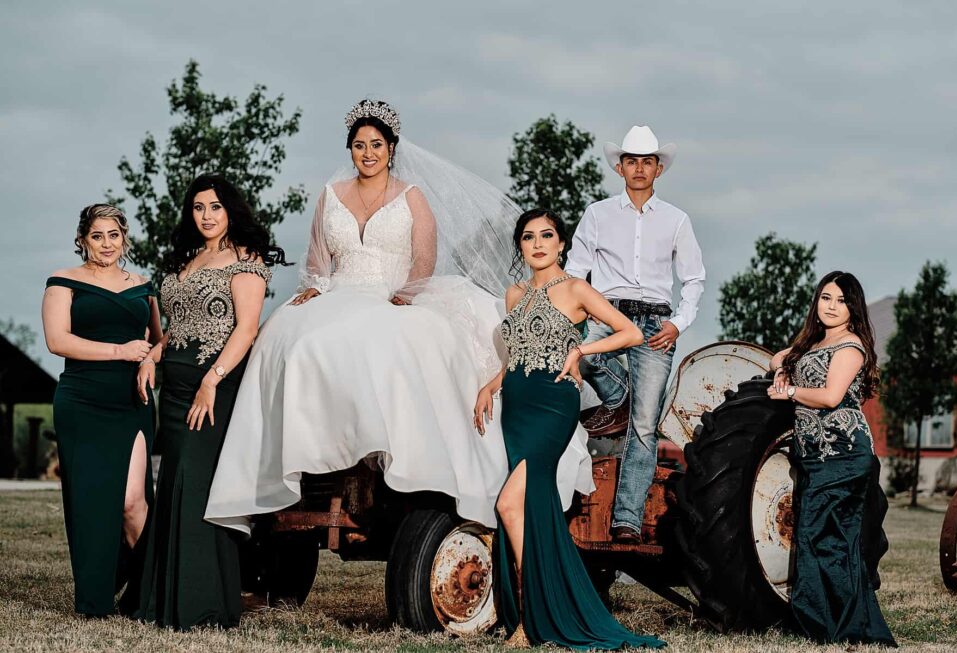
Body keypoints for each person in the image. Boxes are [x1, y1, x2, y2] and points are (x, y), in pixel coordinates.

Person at [204, 100, 593, 534]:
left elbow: (424, 256)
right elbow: (318, 256)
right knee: (288, 337)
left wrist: (406, 293)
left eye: (376, 144)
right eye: (359, 145)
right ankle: (299, 461)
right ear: (350, 150)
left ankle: (402, 456)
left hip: (396, 291)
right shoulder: (330, 195)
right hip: (340, 290)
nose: (367, 153)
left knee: (393, 341)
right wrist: (315, 285)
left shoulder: (411, 196)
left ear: (391, 148)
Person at [474, 209, 666, 649]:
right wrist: (492, 383)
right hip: (517, 405)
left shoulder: (577, 289)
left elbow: (631, 333)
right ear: (520, 247)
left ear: (562, 244)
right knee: (527, 508)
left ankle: (529, 621)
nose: (537, 244)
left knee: (509, 504)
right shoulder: (514, 294)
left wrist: (581, 351)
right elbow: (518, 354)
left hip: (552, 405)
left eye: (547, 236)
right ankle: (534, 615)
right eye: (528, 237)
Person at [131, 173, 283, 630]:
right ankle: (162, 598)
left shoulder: (246, 259)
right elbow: (178, 326)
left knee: (197, 485)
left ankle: (203, 604)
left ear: (230, 209)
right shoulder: (189, 257)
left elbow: (247, 329)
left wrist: (212, 380)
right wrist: (152, 355)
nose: (207, 216)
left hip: (214, 388)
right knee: (174, 481)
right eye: (198, 207)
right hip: (174, 390)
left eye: (215, 206)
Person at [565, 125, 705, 543]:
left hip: (656, 322)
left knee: (644, 426)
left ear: (658, 169)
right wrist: (576, 312)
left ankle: (626, 519)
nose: (639, 168)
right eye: (632, 161)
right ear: (620, 167)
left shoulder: (677, 220)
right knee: (584, 357)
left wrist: (678, 322)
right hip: (607, 311)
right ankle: (619, 396)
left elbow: (694, 279)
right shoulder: (597, 214)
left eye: (647, 162)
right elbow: (575, 270)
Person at [42, 204, 161, 616]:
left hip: (132, 401)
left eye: (113, 235)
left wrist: (148, 360)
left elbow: (159, 340)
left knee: (132, 501)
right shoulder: (62, 282)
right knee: (91, 502)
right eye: (97, 236)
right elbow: (57, 341)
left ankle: (145, 595)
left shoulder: (143, 285)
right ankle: (95, 597)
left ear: (124, 238)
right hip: (82, 400)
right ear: (83, 240)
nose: (106, 244)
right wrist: (120, 351)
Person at [768, 271, 896, 647]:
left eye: (841, 301)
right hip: (814, 457)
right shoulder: (812, 342)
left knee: (829, 539)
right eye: (826, 298)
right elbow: (777, 357)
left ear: (853, 307)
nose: (832, 306)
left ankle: (846, 627)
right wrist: (782, 368)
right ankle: (824, 624)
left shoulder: (851, 346)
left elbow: (830, 396)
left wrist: (789, 390)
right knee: (815, 537)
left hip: (844, 455)